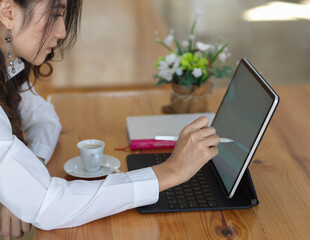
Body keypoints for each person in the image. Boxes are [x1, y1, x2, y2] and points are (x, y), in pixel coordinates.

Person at [0, 0, 220, 239]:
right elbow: (48, 205)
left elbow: (43, 116)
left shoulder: (8, 65)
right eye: (55, 14)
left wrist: (23, 173)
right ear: (8, 12)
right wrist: (171, 171)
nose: (62, 31)